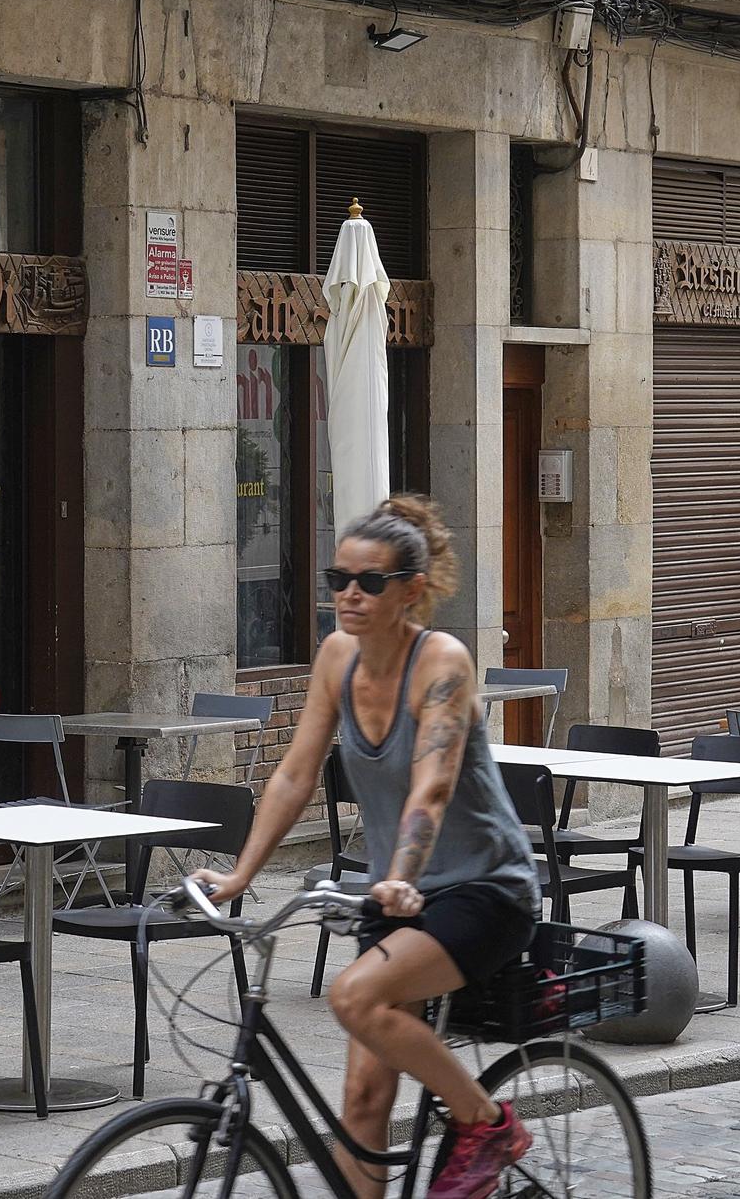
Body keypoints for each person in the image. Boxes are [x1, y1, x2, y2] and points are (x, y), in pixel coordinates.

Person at [195, 495, 541, 1199]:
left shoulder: (441, 661)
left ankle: (486, 1122)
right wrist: (240, 875)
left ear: (410, 590)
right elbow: (294, 773)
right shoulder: (336, 658)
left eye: (369, 582)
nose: (349, 595)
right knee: (360, 1106)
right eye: (338, 580)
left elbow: (432, 786)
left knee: (353, 996)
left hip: (483, 890)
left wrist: (403, 875)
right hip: (400, 896)